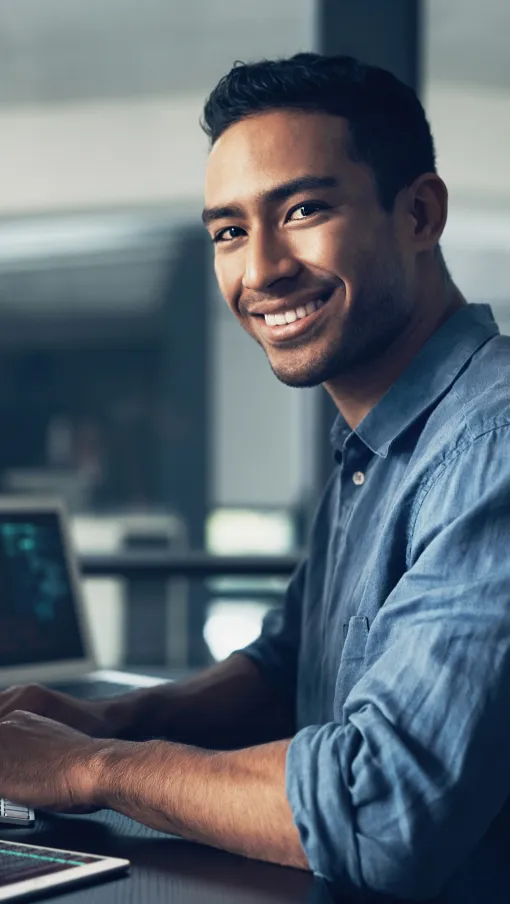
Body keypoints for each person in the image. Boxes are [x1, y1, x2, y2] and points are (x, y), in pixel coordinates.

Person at [1, 53, 510, 902]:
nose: (261, 268)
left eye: (304, 209)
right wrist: (109, 717)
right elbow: (286, 671)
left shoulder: (489, 445)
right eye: (229, 232)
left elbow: (379, 805)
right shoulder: (378, 442)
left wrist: (89, 766)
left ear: (419, 213)